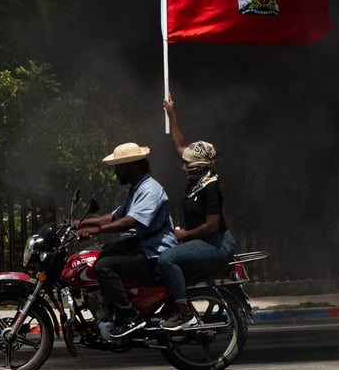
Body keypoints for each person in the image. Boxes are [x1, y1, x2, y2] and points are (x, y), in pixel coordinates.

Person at [76, 142, 178, 338]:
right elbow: (115, 216)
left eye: (119, 167)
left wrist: (96, 230)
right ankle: (110, 311)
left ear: (131, 166)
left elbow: (131, 221)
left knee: (104, 266)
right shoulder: (137, 189)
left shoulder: (150, 189)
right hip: (141, 247)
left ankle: (130, 317)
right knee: (100, 254)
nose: (116, 172)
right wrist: (81, 223)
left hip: (154, 253)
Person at [157, 94, 237, 330]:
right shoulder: (197, 182)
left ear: (201, 166)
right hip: (201, 240)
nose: (184, 166)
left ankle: (185, 312)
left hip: (216, 243)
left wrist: (185, 234)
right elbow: (179, 144)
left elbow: (212, 225)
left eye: (188, 164)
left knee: (167, 258)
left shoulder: (211, 187)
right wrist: (172, 112)